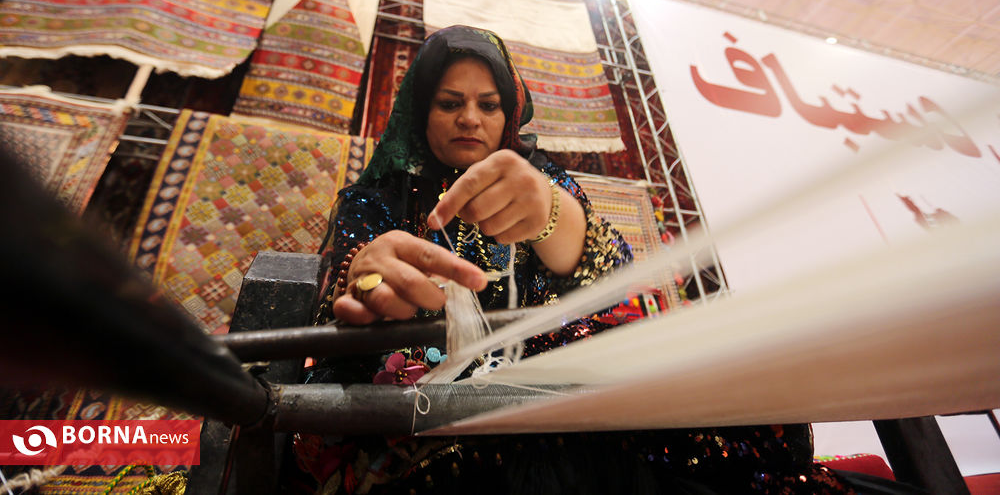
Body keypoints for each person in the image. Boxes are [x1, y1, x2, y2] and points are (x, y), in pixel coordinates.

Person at [296, 25, 859, 494]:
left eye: (488, 105)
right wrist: (366, 277)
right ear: (421, 111)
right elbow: (336, 313)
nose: (470, 118)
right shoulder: (377, 199)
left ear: (510, 115)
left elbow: (614, 279)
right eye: (449, 103)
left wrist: (553, 217)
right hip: (435, 414)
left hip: (562, 394)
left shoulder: (542, 180)